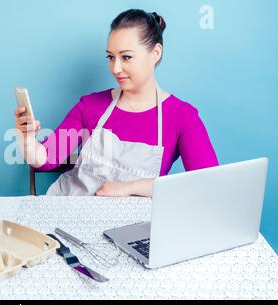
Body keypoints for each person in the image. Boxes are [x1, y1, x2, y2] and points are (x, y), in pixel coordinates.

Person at [13, 9, 218, 197]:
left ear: (156, 53)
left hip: (131, 228)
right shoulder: (90, 105)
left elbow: (205, 185)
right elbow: (45, 160)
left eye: (126, 57)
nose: (116, 68)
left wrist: (132, 187)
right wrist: (27, 139)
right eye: (111, 57)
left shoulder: (182, 117)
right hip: (68, 211)